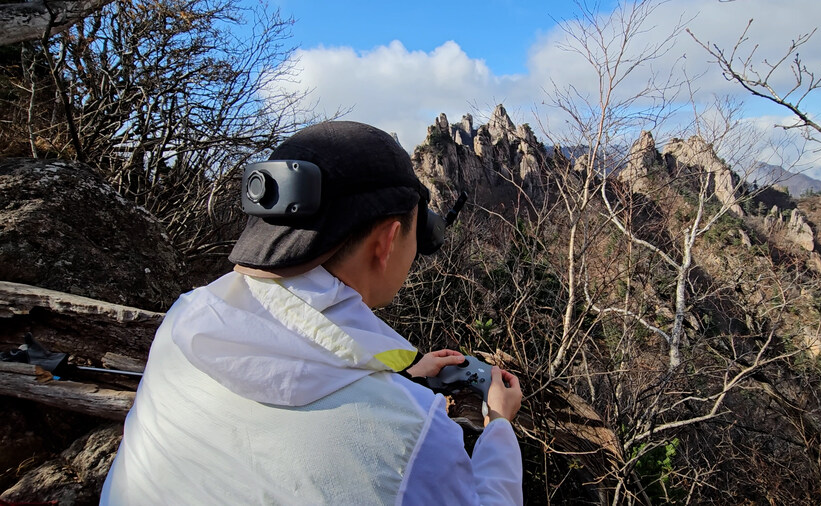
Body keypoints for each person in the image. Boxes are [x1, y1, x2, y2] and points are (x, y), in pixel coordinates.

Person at [100, 121, 523, 504]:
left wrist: (398, 375)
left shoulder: (184, 318)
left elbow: (296, 355)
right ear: (387, 241)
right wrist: (499, 426)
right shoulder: (411, 437)